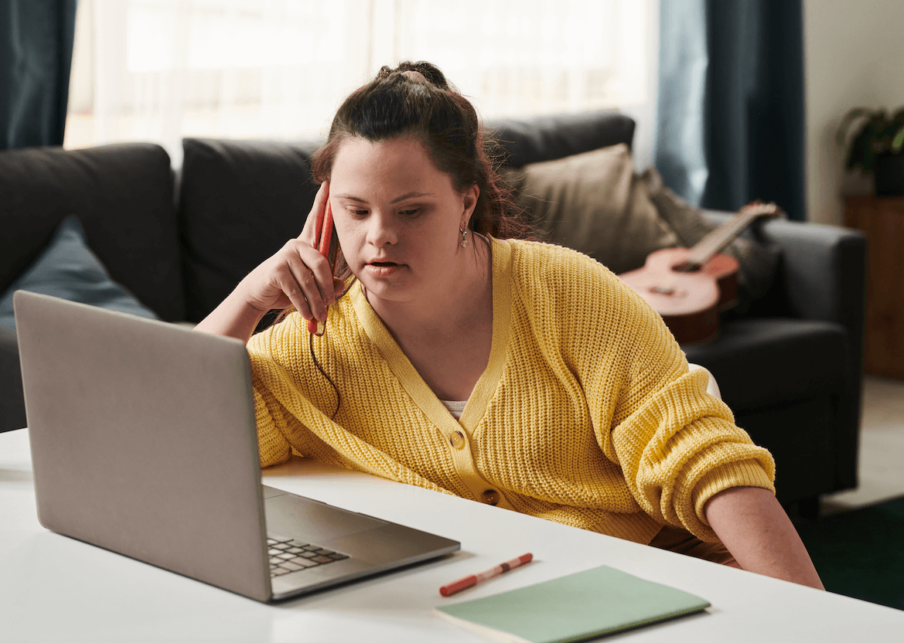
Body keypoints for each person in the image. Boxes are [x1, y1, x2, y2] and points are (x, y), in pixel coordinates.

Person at [195, 62, 824, 590]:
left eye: (411, 210)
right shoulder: (317, 338)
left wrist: (811, 614)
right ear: (325, 209)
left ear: (467, 200)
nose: (379, 236)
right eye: (355, 210)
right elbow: (178, 429)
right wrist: (248, 300)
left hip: (655, 574)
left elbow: (703, 460)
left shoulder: (571, 294)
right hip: (492, 594)